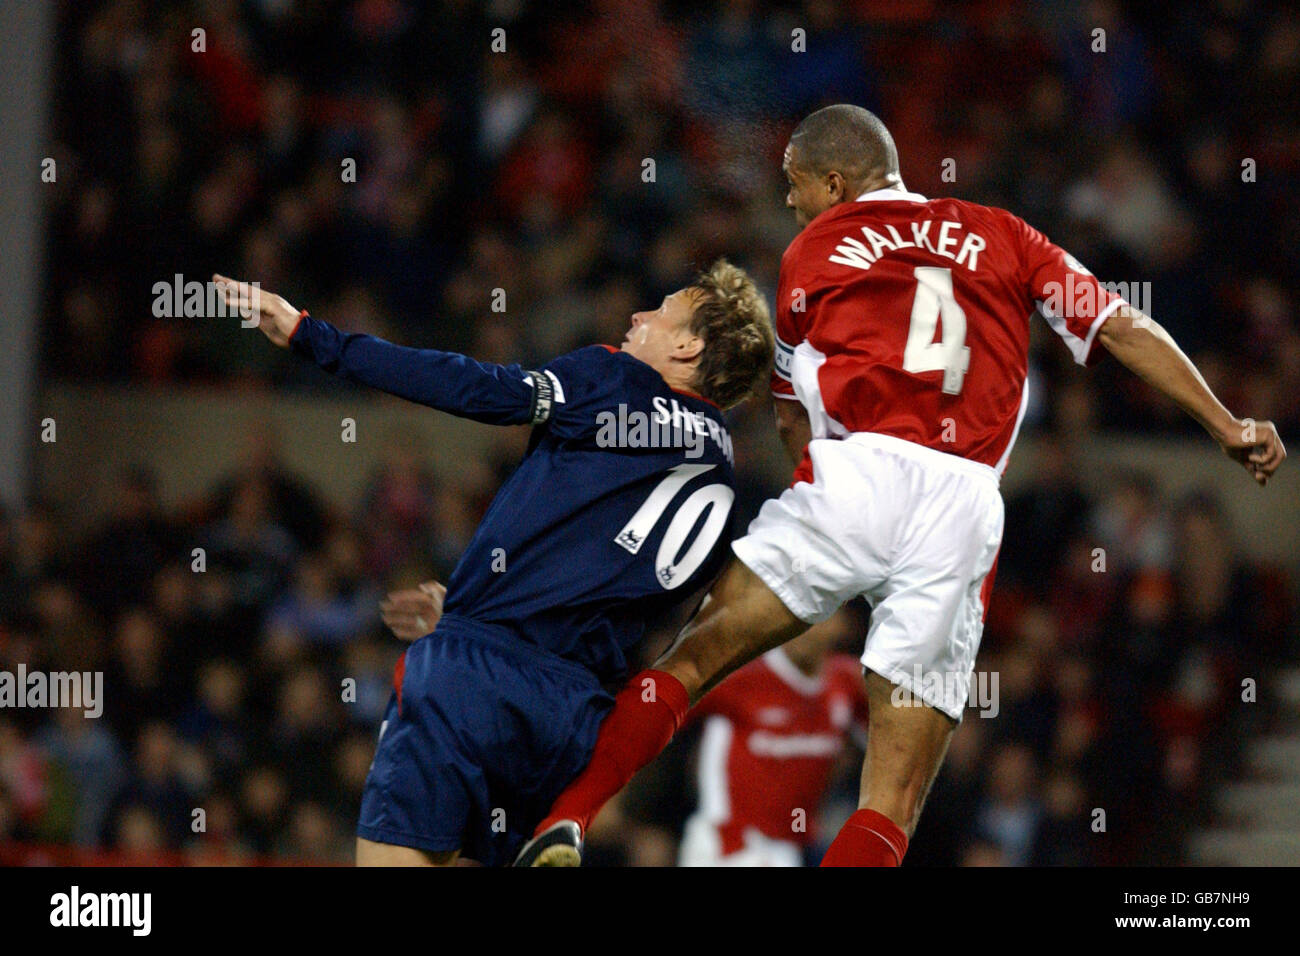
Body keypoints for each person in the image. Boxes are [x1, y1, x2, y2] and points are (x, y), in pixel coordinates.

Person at [515, 104, 1286, 867]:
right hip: (960, 506)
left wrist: (815, 507)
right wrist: (1225, 423)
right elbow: (1120, 326)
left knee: (690, 659)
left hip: (858, 474)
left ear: (836, 181)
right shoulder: (1006, 233)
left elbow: (790, 418)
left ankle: (568, 818)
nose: (790, 202)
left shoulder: (812, 252)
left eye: (796, 184)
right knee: (892, 798)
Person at [212, 261, 775, 866]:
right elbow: (604, 583)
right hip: (569, 723)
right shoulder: (722, 475)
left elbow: (476, 387)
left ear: (689, 346)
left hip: (472, 681)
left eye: (660, 311)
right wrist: (472, 608)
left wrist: (310, 335)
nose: (638, 317)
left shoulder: (613, 377)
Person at [677, 609, 868, 866]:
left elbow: (892, 744)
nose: (806, 627)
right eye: (799, 614)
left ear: (842, 625)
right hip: (730, 842)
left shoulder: (847, 682)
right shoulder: (740, 674)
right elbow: (660, 716)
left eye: (821, 615)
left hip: (793, 845)